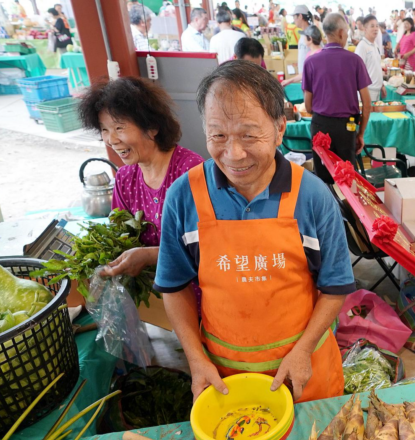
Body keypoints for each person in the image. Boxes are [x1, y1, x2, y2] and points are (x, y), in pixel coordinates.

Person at [156, 61, 354, 403]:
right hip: (226, 380)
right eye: (218, 135)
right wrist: (196, 359)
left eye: (249, 135)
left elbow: (335, 287)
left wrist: (303, 350)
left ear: (279, 129)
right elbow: (174, 287)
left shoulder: (313, 196)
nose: (233, 154)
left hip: (304, 374)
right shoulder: (183, 196)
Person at [78, 77, 204, 278]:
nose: (111, 140)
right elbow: (120, 234)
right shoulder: (125, 177)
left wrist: (149, 256)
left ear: (152, 127)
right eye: (105, 130)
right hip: (152, 290)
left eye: (119, 128)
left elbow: (208, 244)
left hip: (194, 285)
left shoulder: (190, 170)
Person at [303, 13, 371, 184]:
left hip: (320, 126)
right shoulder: (355, 61)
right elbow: (367, 103)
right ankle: (346, 210)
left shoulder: (311, 62)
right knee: (346, 177)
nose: (347, 36)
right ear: (341, 33)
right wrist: (360, 133)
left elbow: (308, 106)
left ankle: (324, 209)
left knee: (323, 177)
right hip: (346, 128)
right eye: (347, 33)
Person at [356, 15, 383, 102]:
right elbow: (357, 72)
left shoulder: (375, 45)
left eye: (377, 26)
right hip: (368, 91)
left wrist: (381, 85)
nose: (375, 29)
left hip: (377, 91)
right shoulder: (362, 46)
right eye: (372, 26)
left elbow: (376, 67)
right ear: (365, 28)